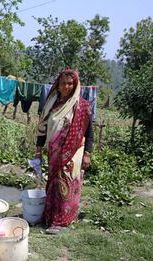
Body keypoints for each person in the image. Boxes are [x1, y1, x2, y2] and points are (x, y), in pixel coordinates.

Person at [35, 69, 93, 234]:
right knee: (54, 183)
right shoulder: (51, 104)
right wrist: (38, 150)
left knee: (66, 182)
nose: (66, 87)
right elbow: (42, 130)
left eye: (70, 84)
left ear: (75, 86)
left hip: (74, 151)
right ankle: (50, 216)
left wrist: (88, 154)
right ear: (58, 85)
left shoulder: (82, 106)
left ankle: (62, 220)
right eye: (63, 83)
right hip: (54, 150)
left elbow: (89, 133)